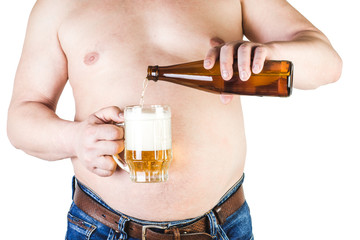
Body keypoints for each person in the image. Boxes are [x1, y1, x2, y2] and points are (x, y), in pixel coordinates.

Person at [7, 0, 342, 239]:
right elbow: (21, 119)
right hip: (101, 228)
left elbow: (328, 64)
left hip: (223, 226)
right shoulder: (58, 5)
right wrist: (76, 139)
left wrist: (273, 56)